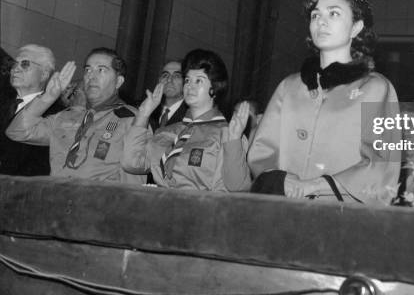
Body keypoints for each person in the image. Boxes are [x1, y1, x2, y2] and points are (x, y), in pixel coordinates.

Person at [247, 0, 400, 204]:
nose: (321, 21)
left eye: (334, 13)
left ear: (356, 27)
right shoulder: (289, 87)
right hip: (284, 211)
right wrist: (281, 180)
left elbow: (381, 163)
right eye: (315, 15)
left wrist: (317, 185)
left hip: (341, 217)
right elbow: (261, 151)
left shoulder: (376, 88)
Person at [6, 47, 148, 183]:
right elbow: (17, 132)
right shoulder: (65, 117)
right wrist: (48, 97)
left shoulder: (132, 120)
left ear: (118, 81)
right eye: (87, 70)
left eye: (101, 70)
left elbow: (133, 181)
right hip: (56, 200)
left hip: (98, 204)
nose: (91, 76)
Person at [122, 49, 251, 191]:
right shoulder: (167, 131)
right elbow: (131, 163)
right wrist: (143, 115)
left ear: (214, 88)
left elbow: (237, 187)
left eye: (198, 81)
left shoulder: (225, 133)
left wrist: (233, 142)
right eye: (187, 80)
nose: (190, 86)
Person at [0, 44, 63, 176]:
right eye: (14, 64)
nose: (15, 69)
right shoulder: (4, 102)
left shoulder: (56, 114)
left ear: (44, 74)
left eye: (25, 64)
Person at [149, 59, 187, 131]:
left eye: (177, 76)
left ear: (186, 81)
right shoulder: (149, 110)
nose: (169, 80)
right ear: (159, 80)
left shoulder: (191, 115)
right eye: (165, 75)